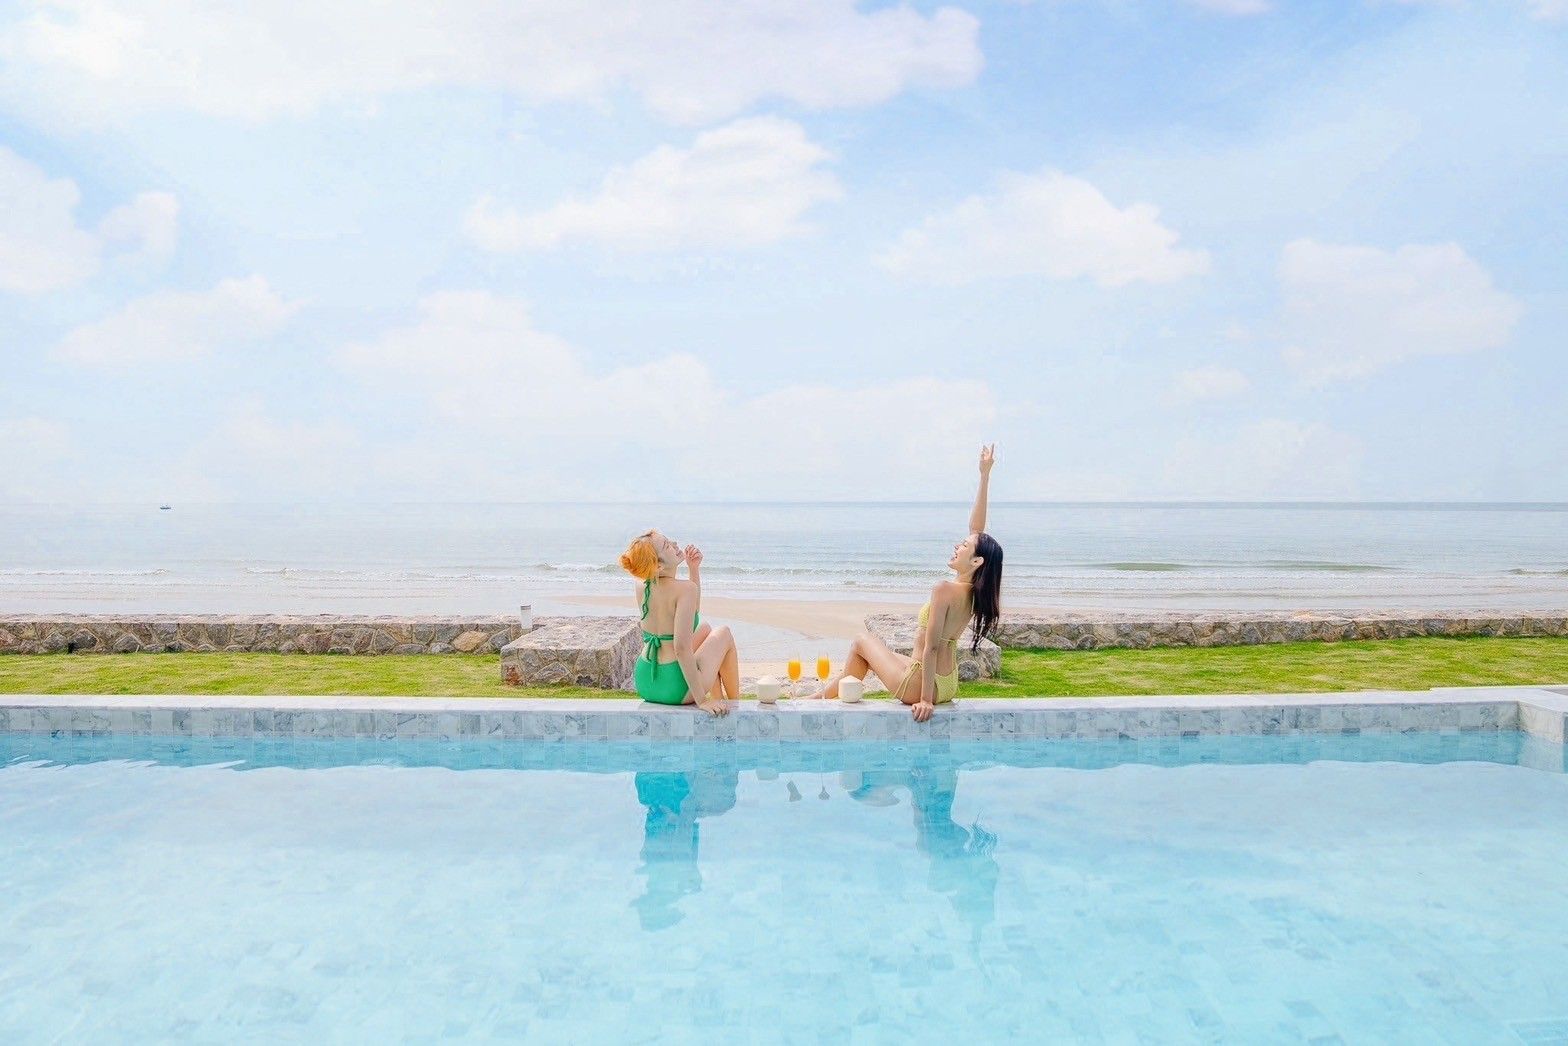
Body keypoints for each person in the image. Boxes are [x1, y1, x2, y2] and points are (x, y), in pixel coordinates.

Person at [810, 445, 1003, 721]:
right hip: (947, 683)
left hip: (923, 684)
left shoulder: (944, 589)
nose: (957, 546)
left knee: (861, 641)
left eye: (963, 545)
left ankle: (817, 701)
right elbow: (977, 531)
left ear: (976, 561)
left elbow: (931, 647)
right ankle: (818, 699)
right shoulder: (974, 591)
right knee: (867, 655)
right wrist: (984, 475)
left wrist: (925, 700)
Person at [618, 530, 737, 715]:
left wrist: (693, 568)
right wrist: (702, 701)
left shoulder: (642, 585)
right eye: (667, 545)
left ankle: (718, 698)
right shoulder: (685, 590)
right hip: (674, 686)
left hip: (646, 680)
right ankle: (737, 706)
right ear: (658, 566)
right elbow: (681, 648)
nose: (674, 544)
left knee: (705, 629)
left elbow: (692, 615)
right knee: (724, 633)